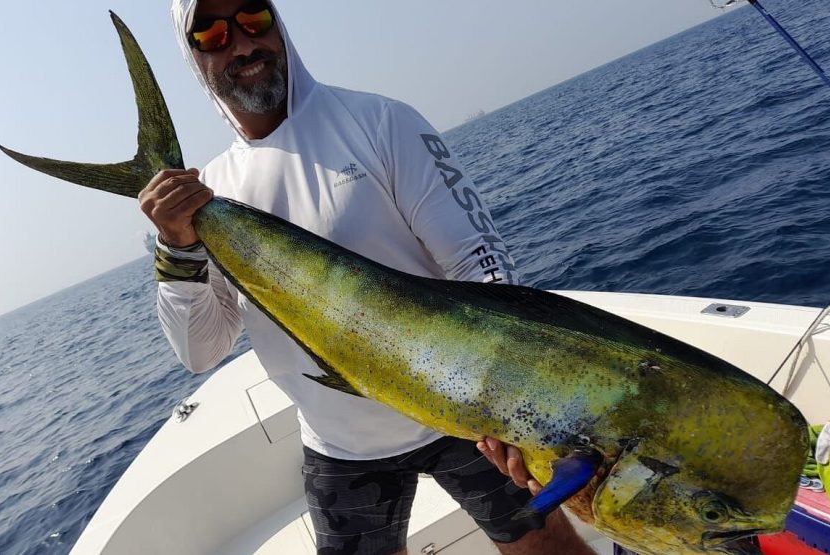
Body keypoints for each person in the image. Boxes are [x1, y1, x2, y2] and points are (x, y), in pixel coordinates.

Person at [142, 1, 596, 554]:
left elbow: (480, 266)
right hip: (342, 447)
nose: (241, 44)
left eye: (253, 20)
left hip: (465, 420)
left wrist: (508, 403)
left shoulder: (381, 122)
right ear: (193, 57)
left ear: (277, 25)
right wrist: (177, 247)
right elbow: (201, 351)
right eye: (211, 34)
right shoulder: (208, 194)